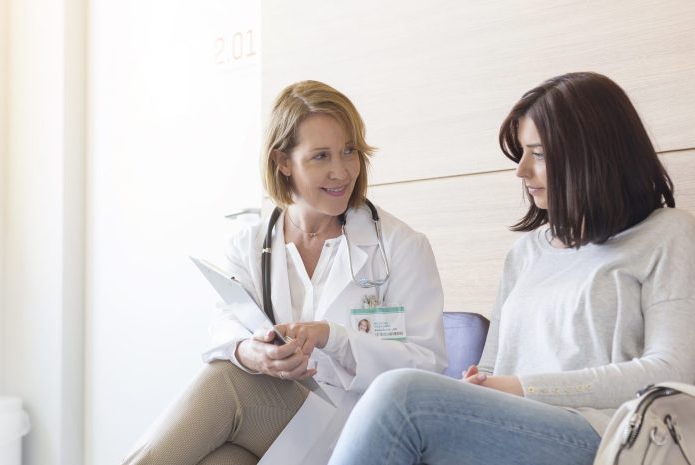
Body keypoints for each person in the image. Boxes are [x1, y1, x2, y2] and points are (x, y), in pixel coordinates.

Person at [327, 71, 695, 465]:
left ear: (591, 155)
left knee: (401, 397)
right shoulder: (525, 254)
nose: (521, 170)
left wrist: (523, 388)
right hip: (518, 430)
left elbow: (669, 371)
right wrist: (480, 388)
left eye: (538, 154)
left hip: (607, 436)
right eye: (522, 153)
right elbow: (492, 368)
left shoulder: (667, 234)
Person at [122, 80, 446, 465]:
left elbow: (428, 367)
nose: (341, 171)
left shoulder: (400, 247)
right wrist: (251, 352)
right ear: (283, 162)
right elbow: (226, 325)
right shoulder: (248, 245)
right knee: (220, 459)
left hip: (361, 430)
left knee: (227, 379)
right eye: (321, 156)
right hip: (284, 431)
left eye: (349, 151)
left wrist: (334, 338)